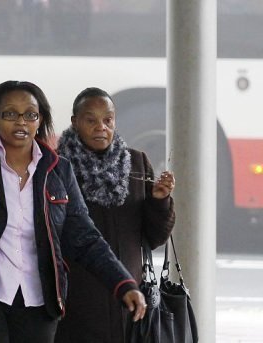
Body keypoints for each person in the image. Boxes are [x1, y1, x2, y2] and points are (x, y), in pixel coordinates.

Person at [0, 80, 146, 343]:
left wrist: (123, 283)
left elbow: (85, 238)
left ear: (40, 120)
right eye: (11, 114)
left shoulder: (59, 171)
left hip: (39, 301)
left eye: (30, 115)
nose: (21, 122)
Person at [54, 87, 176, 343]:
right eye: (91, 120)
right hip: (76, 302)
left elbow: (154, 238)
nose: (101, 127)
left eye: (107, 120)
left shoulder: (136, 163)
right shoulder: (56, 168)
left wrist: (160, 200)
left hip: (129, 301)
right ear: (75, 122)